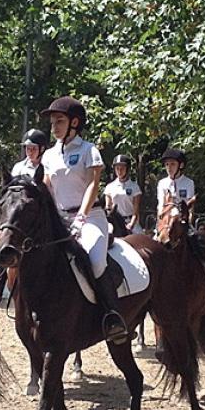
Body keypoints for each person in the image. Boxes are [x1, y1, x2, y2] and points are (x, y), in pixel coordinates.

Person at [39, 95, 128, 343]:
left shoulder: (89, 150)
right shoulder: (49, 155)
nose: (54, 127)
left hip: (90, 218)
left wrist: (81, 217)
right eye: (52, 123)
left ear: (74, 123)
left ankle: (112, 316)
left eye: (59, 121)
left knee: (96, 260)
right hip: (60, 219)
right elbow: (47, 189)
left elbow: (92, 185)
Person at [104, 154, 142, 233]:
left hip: (130, 222)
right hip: (115, 222)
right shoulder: (109, 187)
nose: (119, 171)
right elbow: (108, 207)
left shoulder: (134, 187)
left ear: (127, 169)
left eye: (122, 168)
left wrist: (131, 224)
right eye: (117, 168)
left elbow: (136, 211)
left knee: (141, 240)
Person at [156, 148, 195, 221]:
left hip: (182, 219)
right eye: (167, 164)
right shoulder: (162, 183)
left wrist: (189, 222)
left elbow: (190, 207)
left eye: (172, 164)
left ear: (181, 165)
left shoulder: (189, 183)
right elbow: (161, 204)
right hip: (165, 218)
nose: (169, 168)